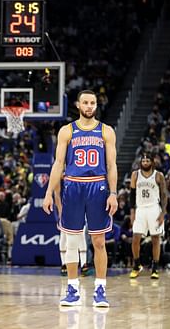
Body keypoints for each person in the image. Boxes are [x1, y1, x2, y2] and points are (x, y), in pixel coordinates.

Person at [43, 90, 118, 307]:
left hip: (98, 185)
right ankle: (72, 289)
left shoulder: (106, 131)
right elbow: (58, 164)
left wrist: (113, 193)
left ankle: (100, 289)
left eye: (92, 103)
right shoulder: (67, 131)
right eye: (85, 102)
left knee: (98, 241)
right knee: (73, 241)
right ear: (78, 105)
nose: (89, 106)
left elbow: (112, 165)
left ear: (96, 105)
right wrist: (48, 192)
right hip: (73, 186)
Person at [129, 153, 167, 279]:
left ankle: (155, 268)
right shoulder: (135, 175)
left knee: (155, 239)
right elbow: (132, 194)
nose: (145, 163)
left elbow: (164, 195)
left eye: (147, 161)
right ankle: (137, 264)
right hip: (140, 209)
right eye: (143, 161)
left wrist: (163, 213)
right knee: (135, 238)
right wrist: (132, 211)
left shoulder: (158, 175)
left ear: (152, 162)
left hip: (154, 208)